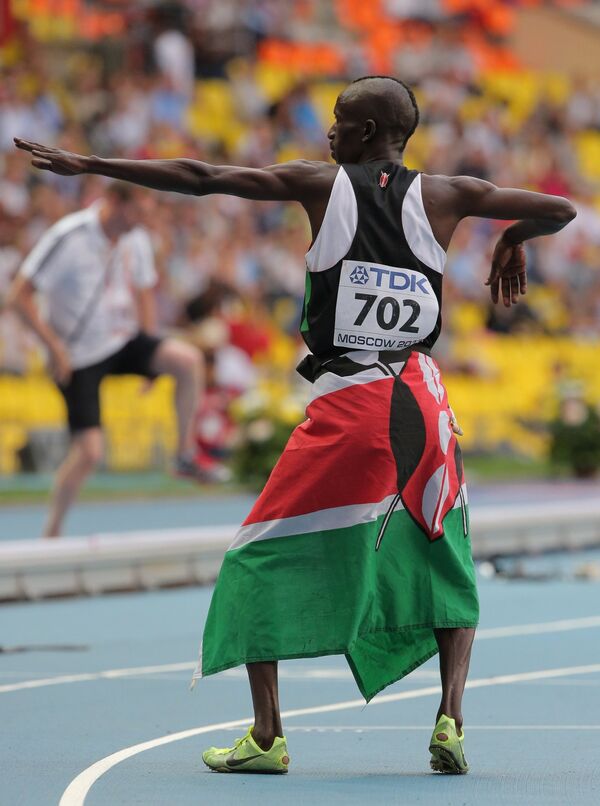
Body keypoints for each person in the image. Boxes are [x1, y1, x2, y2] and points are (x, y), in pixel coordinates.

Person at [14, 75, 576, 772]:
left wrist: (91, 164)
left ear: (367, 134)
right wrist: (513, 238)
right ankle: (451, 719)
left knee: (256, 555)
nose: (329, 130)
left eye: (340, 119)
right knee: (445, 557)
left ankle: (267, 736)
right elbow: (559, 208)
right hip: (427, 403)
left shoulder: (321, 183)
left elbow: (202, 176)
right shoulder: (449, 194)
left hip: (352, 404)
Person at [7, 181, 219, 538]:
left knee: (187, 360)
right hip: (76, 354)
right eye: (138, 212)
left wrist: (151, 352)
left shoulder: (136, 237)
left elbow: (143, 290)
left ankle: (183, 455)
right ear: (114, 203)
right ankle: (52, 530)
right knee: (90, 452)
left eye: (148, 213)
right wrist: (54, 348)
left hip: (120, 340)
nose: (143, 221)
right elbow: (18, 297)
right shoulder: (69, 236)